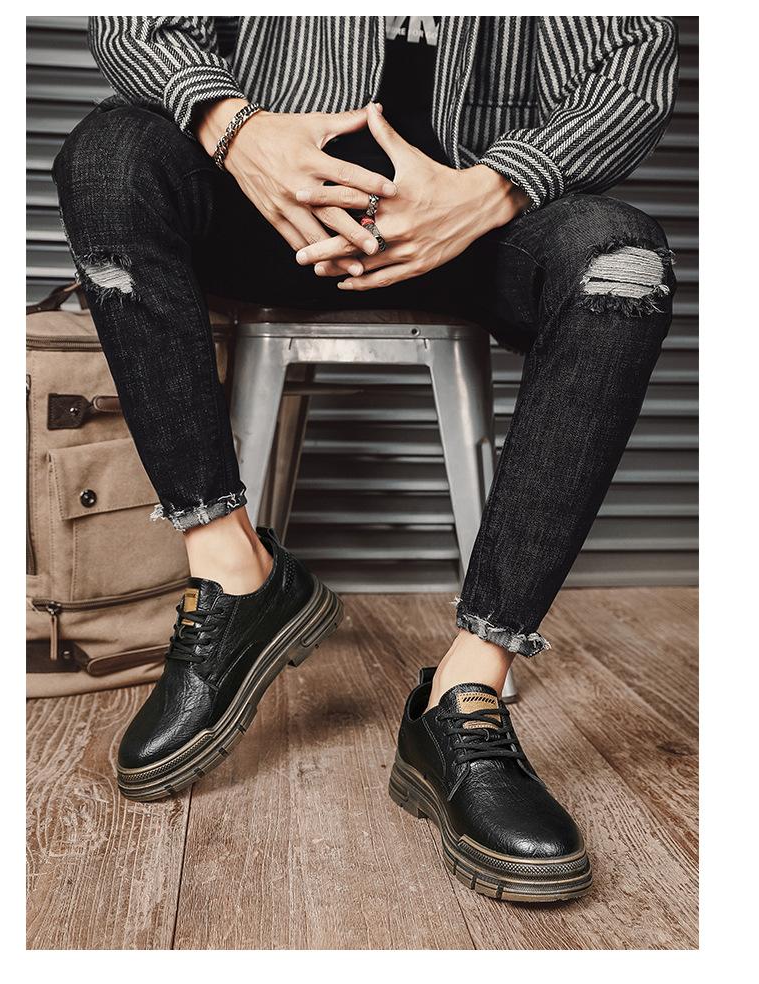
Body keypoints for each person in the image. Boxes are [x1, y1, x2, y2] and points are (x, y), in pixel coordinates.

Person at [53, 15, 678, 901]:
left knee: (623, 262)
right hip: (266, 207)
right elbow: (136, 22)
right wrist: (239, 131)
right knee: (107, 156)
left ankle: (463, 694)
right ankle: (234, 572)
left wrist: (493, 187)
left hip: (472, 224)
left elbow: (632, 69)